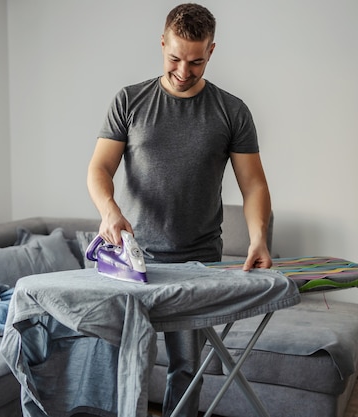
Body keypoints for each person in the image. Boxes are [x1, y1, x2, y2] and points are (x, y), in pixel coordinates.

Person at [86, 3, 272, 417]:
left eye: (196, 61)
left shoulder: (232, 111)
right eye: (174, 58)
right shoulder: (130, 101)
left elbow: (254, 184)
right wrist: (109, 208)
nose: (184, 71)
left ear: (211, 51)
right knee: (121, 361)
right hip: (131, 261)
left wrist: (259, 237)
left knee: (187, 368)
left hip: (197, 261)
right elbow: (99, 168)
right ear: (162, 44)